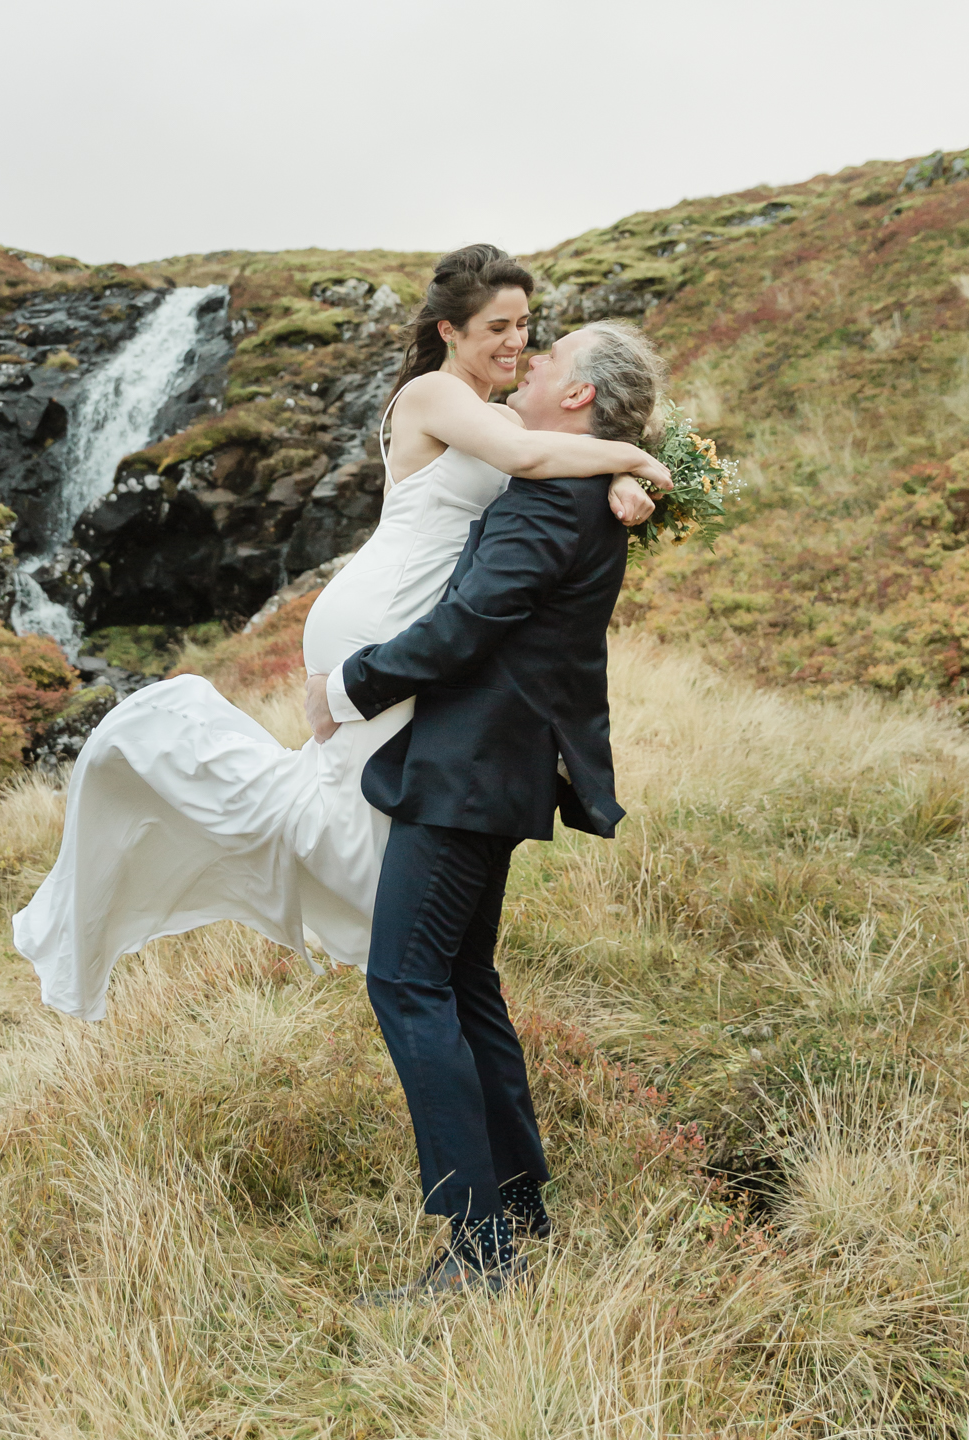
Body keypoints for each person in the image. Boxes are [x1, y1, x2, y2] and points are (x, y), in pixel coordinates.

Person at [13, 245, 667, 1026]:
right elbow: (532, 455)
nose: (515, 342)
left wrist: (620, 479)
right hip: (381, 616)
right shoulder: (433, 394)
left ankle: (413, 958)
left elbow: (554, 452)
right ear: (450, 331)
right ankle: (167, 750)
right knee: (340, 822)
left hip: (403, 623)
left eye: (526, 325)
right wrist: (635, 457)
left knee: (355, 816)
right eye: (497, 326)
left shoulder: (495, 413)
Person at [303, 310, 666, 1297]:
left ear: (578, 395)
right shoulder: (580, 485)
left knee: (406, 982)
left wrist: (349, 687)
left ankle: (478, 1250)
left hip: (468, 769)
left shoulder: (556, 501)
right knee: (461, 979)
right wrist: (632, 478)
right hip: (488, 765)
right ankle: (521, 1205)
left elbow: (470, 624)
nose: (532, 359)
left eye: (549, 356)